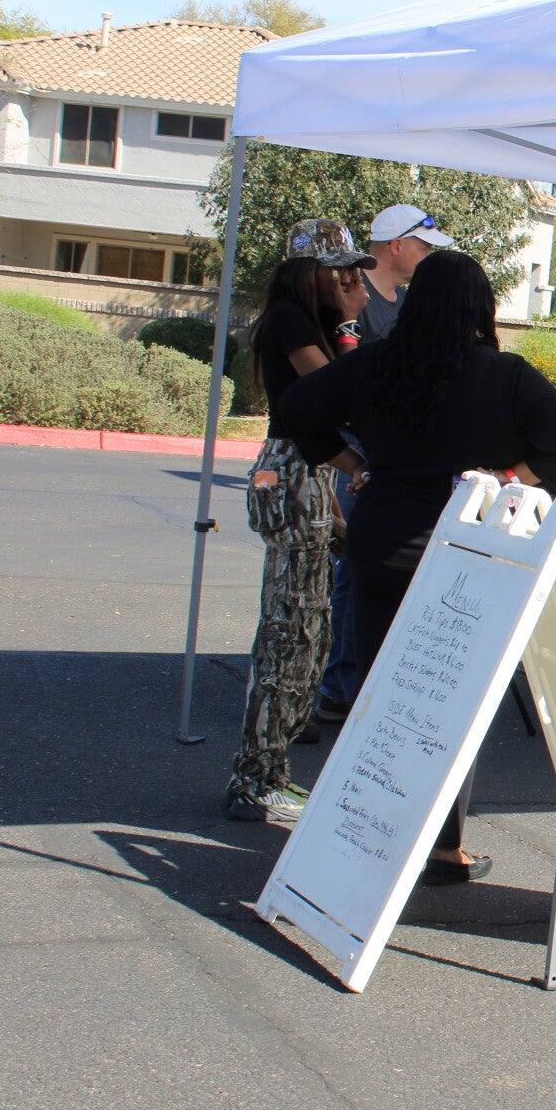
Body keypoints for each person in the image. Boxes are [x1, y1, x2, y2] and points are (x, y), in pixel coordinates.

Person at [274, 250, 556, 883]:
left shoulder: (374, 362)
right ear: (480, 307)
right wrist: (506, 481)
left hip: (382, 539)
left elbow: (295, 410)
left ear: (416, 301)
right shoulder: (503, 374)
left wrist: (355, 466)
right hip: (467, 548)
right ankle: (444, 849)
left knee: (379, 696)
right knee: (451, 702)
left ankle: (366, 836)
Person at [223, 219, 372, 823]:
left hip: (309, 474)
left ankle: (270, 770)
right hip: (290, 476)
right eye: (340, 271)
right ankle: (255, 777)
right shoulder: (288, 320)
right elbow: (339, 393)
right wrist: (351, 322)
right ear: (310, 271)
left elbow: (337, 405)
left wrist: (346, 324)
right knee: (289, 631)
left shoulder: (310, 322)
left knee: (309, 630)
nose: (350, 281)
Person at [311, 205, 453, 727]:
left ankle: (362, 683)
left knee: (377, 570)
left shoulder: (407, 302)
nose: (428, 255)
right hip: (356, 452)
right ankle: (340, 687)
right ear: (396, 244)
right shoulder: (352, 297)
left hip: (394, 454)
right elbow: (337, 381)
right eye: (424, 245)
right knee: (353, 569)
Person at [357, 204, 454, 343]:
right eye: (425, 250)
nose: (429, 259)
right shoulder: (348, 293)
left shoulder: (409, 301)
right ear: (396, 246)